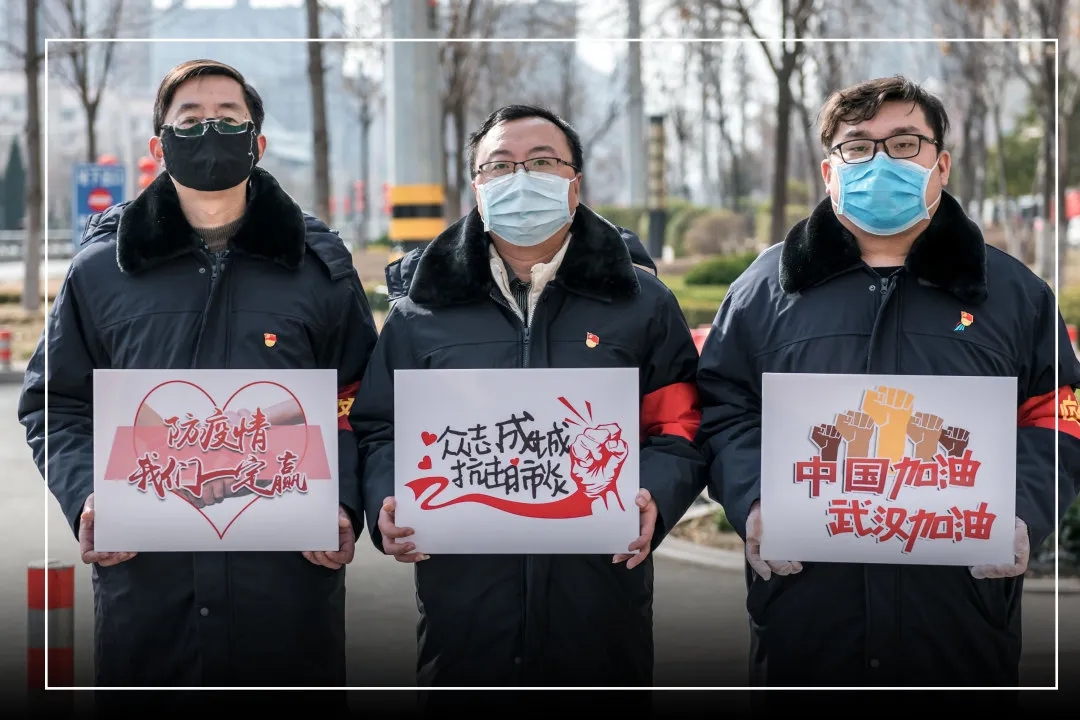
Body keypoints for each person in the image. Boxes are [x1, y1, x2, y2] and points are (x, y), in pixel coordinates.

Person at [696, 74, 1080, 689]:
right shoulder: (763, 293)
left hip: (959, 620)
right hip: (807, 618)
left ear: (940, 165)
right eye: (857, 147)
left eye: (904, 144)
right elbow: (721, 405)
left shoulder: (1015, 295)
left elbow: (1057, 411)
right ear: (830, 171)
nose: (880, 163)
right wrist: (754, 500)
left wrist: (1024, 512)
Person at [17, 59, 378, 699]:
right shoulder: (102, 270)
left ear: (256, 143)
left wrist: (344, 500)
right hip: (148, 590)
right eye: (189, 120)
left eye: (228, 119)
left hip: (286, 588)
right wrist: (87, 496)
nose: (209, 132)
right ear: (159, 147)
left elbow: (360, 399)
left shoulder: (317, 269)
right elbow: (57, 403)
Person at [351, 105, 706, 701]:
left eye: (542, 163)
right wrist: (386, 496)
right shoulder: (421, 311)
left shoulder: (641, 302)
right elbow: (381, 427)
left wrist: (656, 495)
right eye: (500, 165)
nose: (520, 178)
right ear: (477, 187)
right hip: (463, 609)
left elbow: (679, 422)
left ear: (574, 184)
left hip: (599, 600)